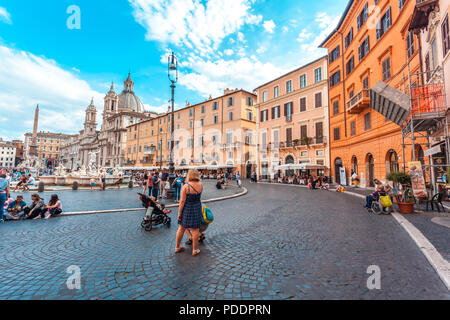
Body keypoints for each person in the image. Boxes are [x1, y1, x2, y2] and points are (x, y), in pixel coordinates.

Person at [175, 169, 203, 256]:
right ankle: (195, 250)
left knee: (181, 228)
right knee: (195, 230)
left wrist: (179, 213)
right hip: (197, 208)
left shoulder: (186, 186)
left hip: (187, 208)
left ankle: (177, 247)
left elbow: (182, 201)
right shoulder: (201, 185)